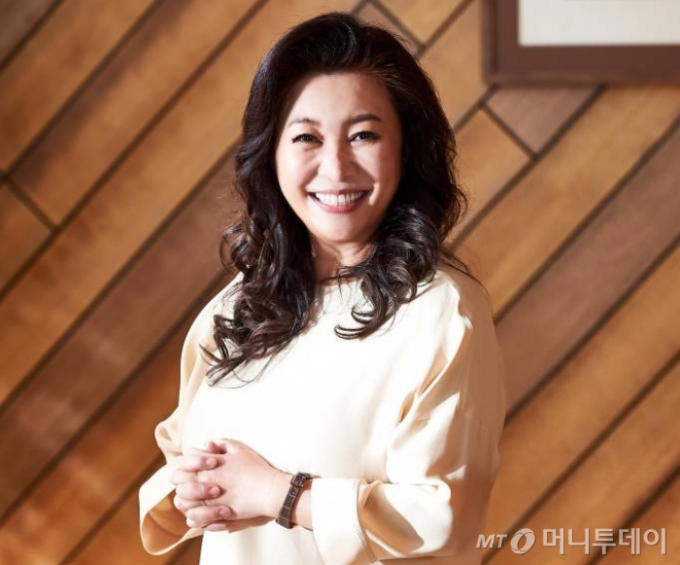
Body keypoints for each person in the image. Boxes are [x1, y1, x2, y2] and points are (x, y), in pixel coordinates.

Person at [138, 11, 506, 565]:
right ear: (272, 154)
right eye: (307, 137)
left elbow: (443, 519)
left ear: (406, 150)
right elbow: (181, 450)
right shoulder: (240, 303)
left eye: (363, 135)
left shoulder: (442, 312)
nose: (335, 167)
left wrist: (280, 494)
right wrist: (189, 489)